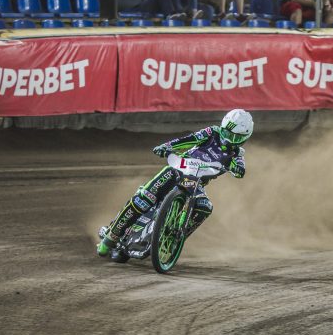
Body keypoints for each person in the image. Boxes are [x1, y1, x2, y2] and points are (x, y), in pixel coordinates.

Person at [97, 109, 254, 261]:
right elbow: (189, 139)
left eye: (236, 137)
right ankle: (111, 237)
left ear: (245, 138)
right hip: (177, 170)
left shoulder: (237, 155)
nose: (230, 139)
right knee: (144, 198)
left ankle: (174, 237)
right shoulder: (211, 132)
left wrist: (237, 169)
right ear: (223, 127)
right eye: (227, 133)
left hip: (196, 183)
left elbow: (240, 171)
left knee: (205, 207)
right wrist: (167, 146)